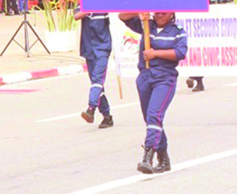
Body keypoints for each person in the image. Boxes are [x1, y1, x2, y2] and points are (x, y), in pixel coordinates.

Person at [117, 11, 188, 174]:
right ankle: (164, 158)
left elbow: (180, 53)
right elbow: (122, 17)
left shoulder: (178, 31)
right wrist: (139, 14)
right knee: (150, 119)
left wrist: (155, 53)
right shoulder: (147, 26)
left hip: (165, 78)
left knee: (154, 115)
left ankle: (148, 156)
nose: (160, 15)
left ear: (172, 14)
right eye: (157, 12)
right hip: (145, 77)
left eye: (164, 12)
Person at [75, 11, 114, 129]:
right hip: (89, 48)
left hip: (102, 47)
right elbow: (76, 16)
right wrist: (88, 9)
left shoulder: (103, 3)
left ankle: (91, 109)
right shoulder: (84, 4)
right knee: (96, 85)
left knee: (97, 79)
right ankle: (107, 115)